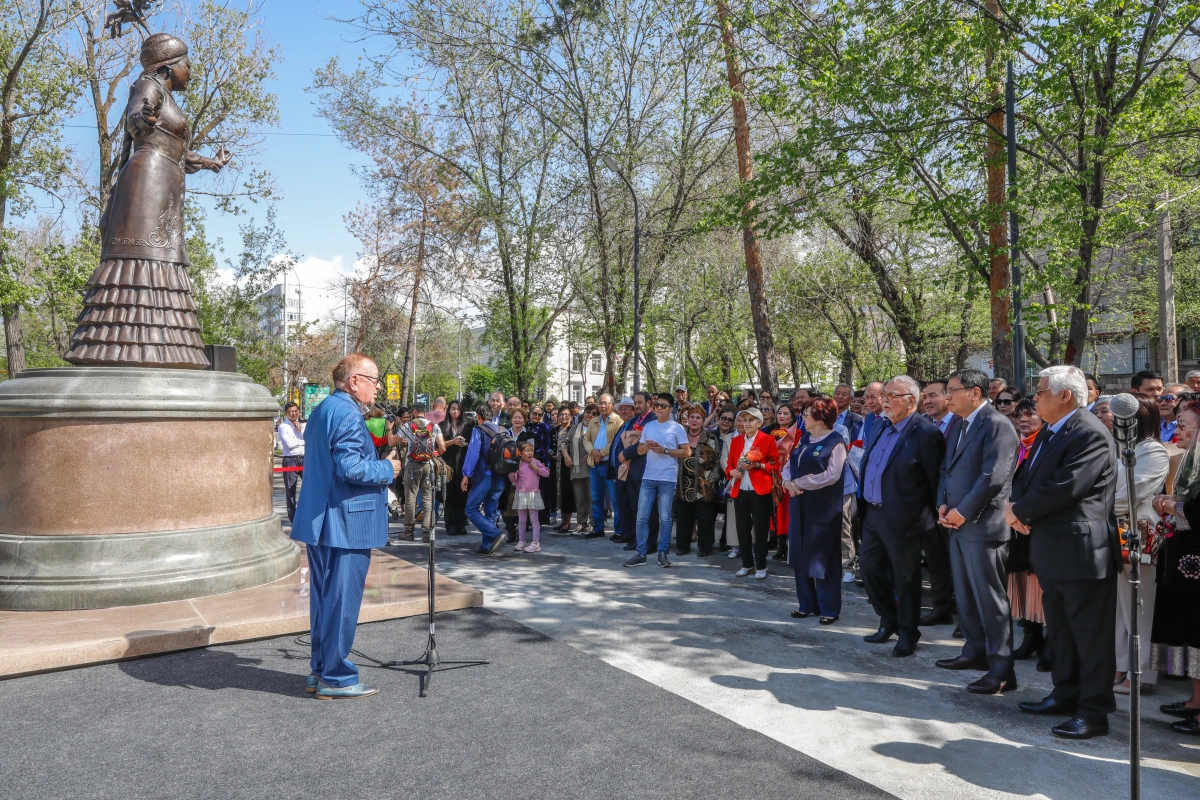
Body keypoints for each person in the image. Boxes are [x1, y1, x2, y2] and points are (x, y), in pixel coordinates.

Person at [1006, 365, 1119, 740]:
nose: (1034, 398)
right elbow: (1027, 478)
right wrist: (1017, 507)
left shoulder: (1089, 433)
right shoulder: (1052, 432)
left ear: (1064, 395)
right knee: (1062, 633)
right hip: (1053, 549)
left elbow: (1066, 487)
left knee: (1089, 637)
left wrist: (1019, 512)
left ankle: (1094, 712)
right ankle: (1066, 693)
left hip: (1083, 552)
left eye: (1040, 392)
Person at [290, 354, 400, 700]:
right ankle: (336, 678)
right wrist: (387, 470)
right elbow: (351, 468)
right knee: (341, 602)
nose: (377, 386)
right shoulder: (350, 414)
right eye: (374, 379)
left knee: (324, 602)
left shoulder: (323, 409)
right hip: (345, 521)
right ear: (354, 381)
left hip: (321, 520)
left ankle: (320, 669)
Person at [935, 368, 1020, 694]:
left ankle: (1001, 670)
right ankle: (974, 652)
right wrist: (944, 504)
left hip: (984, 525)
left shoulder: (997, 425)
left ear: (974, 392)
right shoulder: (958, 423)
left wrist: (963, 512)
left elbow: (993, 478)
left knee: (989, 599)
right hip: (956, 523)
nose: (947, 397)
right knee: (967, 594)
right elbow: (947, 468)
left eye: (952, 390)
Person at [858, 375, 946, 657]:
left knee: (905, 579)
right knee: (870, 571)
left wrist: (930, 521)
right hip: (873, 514)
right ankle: (888, 620)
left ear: (911, 400)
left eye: (891, 396)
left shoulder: (926, 433)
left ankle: (908, 632)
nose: (884, 400)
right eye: (884, 394)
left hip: (906, 519)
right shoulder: (881, 427)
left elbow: (935, 481)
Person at [1112, 396, 1169, 696]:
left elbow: (1133, 494)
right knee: (1122, 607)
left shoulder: (1154, 451)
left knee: (1140, 605)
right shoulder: (1120, 447)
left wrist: (1097, 506)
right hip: (1114, 529)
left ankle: (1142, 673)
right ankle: (1122, 665)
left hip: (1140, 533)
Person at [1149, 400, 1200, 736]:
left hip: (1195, 560)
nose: (1177, 430)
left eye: (1184, 424)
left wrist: (1171, 504)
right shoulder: (1190, 461)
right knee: (1191, 630)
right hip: (1186, 560)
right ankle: (1196, 700)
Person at [784, 397, 847, 623]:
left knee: (823, 556)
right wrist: (787, 482)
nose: (803, 417)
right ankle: (806, 603)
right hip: (799, 504)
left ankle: (828, 607)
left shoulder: (836, 442)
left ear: (821, 418)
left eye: (808, 413)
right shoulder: (804, 440)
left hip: (823, 508)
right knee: (800, 553)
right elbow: (788, 465)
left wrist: (800, 483)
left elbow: (832, 474)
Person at [625, 395, 691, 567]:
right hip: (648, 476)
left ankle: (662, 553)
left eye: (663, 405)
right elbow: (639, 450)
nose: (659, 408)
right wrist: (646, 447)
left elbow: (686, 452)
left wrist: (665, 451)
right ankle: (641, 553)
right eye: (657, 405)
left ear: (671, 409)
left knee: (665, 518)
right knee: (641, 517)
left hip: (667, 478)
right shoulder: (649, 426)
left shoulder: (677, 428)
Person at [1007, 399, 1050, 669]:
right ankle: (1031, 636)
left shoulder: (1046, 444)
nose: (1024, 419)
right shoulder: (1015, 446)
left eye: (1030, 414)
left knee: (1041, 585)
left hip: (1038, 523)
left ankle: (1052, 644)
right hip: (1014, 524)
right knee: (1021, 580)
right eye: (1019, 415)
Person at [920, 378, 959, 626]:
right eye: (924, 396)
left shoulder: (961, 424)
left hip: (955, 506)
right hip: (928, 505)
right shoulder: (923, 425)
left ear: (948, 396)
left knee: (958, 562)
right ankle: (940, 607)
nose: (927, 401)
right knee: (935, 560)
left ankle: (966, 614)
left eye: (932, 395)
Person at [725, 407, 780, 579]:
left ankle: (761, 565)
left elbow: (775, 465)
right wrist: (731, 472)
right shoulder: (736, 441)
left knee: (761, 529)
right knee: (742, 528)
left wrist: (758, 466)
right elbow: (729, 464)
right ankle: (747, 564)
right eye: (744, 420)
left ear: (759, 422)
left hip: (760, 489)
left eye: (750, 420)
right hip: (740, 489)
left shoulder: (767, 440)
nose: (746, 423)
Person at [461, 404, 510, 557]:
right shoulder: (503, 430)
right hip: (501, 476)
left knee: (471, 508)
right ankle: (486, 545)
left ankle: (494, 533)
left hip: (485, 475)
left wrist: (466, 474)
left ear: (479, 416)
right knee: (491, 510)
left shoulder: (478, 430)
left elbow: (473, 454)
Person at [676, 405, 722, 556]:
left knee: (706, 518)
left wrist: (712, 478)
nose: (694, 420)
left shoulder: (710, 438)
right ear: (687, 419)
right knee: (683, 518)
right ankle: (682, 546)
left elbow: (718, 460)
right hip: (683, 485)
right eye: (692, 417)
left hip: (705, 485)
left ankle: (705, 547)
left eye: (698, 418)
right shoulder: (680, 437)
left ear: (703, 421)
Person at [585, 393, 622, 538]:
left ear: (612, 404)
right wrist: (592, 451)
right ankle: (598, 529)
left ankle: (618, 531)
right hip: (595, 465)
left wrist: (601, 452)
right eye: (601, 403)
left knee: (615, 499)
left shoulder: (618, 421)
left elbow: (616, 442)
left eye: (606, 403)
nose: (603, 406)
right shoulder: (594, 421)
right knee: (596, 499)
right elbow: (586, 439)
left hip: (610, 465)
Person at [770, 403, 800, 561]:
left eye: (786, 413)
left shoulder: (798, 434)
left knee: (786, 511)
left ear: (792, 417)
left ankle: (788, 547)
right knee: (775, 511)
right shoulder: (770, 433)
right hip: (773, 475)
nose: (782, 416)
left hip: (789, 477)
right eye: (779, 413)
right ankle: (779, 545)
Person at [439, 400, 472, 536]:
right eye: (453, 409)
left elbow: (471, 444)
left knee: (462, 493)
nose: (455, 412)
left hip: (462, 462)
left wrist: (463, 443)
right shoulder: (442, 425)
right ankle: (450, 524)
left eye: (458, 409)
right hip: (448, 463)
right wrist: (453, 442)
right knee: (449, 494)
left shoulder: (467, 425)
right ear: (448, 410)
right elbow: (440, 446)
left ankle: (461, 522)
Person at [509, 441, 550, 553]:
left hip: (533, 494)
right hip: (521, 494)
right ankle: (521, 541)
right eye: (526, 451)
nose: (530, 453)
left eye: (531, 450)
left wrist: (536, 468)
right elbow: (512, 479)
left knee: (534, 519)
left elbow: (546, 473)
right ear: (520, 454)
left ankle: (535, 543)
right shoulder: (517, 464)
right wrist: (514, 472)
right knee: (521, 520)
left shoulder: (536, 462)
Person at [562, 405, 595, 534]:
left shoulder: (598, 428)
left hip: (592, 467)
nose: (589, 414)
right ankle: (581, 523)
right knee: (580, 498)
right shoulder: (575, 428)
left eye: (593, 413)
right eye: (587, 411)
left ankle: (593, 523)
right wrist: (566, 456)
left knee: (593, 498)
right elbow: (564, 443)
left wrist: (592, 453)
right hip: (577, 468)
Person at [278, 402, 305, 523]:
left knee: (309, 487)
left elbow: (309, 439)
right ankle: (293, 518)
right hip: (290, 460)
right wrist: (303, 441)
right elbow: (288, 445)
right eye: (291, 412)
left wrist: (300, 433)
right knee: (290, 490)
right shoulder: (283, 427)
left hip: (304, 458)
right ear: (286, 413)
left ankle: (305, 514)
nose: (294, 414)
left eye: (296, 411)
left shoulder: (304, 425)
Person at [551, 407, 577, 532]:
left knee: (567, 492)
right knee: (559, 493)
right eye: (561, 414)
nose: (564, 417)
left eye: (567, 415)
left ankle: (567, 522)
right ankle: (562, 521)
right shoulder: (554, 430)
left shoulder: (574, 429)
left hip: (569, 464)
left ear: (571, 416)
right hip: (557, 465)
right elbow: (549, 446)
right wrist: (551, 453)